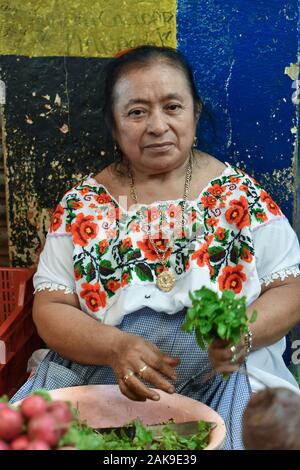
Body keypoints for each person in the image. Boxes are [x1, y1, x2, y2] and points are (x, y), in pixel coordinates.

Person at [11, 45, 300, 449]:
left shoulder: (239, 198)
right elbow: (51, 307)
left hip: (222, 377)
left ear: (195, 114)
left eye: (172, 107)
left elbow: (289, 287)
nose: (158, 126)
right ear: (113, 125)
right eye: (136, 112)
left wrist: (242, 336)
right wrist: (114, 346)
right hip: (102, 374)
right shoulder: (82, 207)